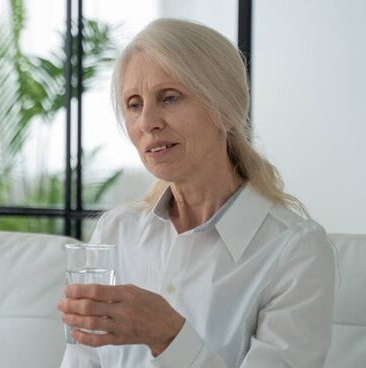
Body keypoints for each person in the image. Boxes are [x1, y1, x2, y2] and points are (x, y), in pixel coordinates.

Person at [58, 18, 335, 368]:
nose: (147, 122)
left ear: (226, 108)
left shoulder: (297, 252)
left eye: (170, 97)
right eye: (133, 104)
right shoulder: (116, 230)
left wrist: (170, 337)